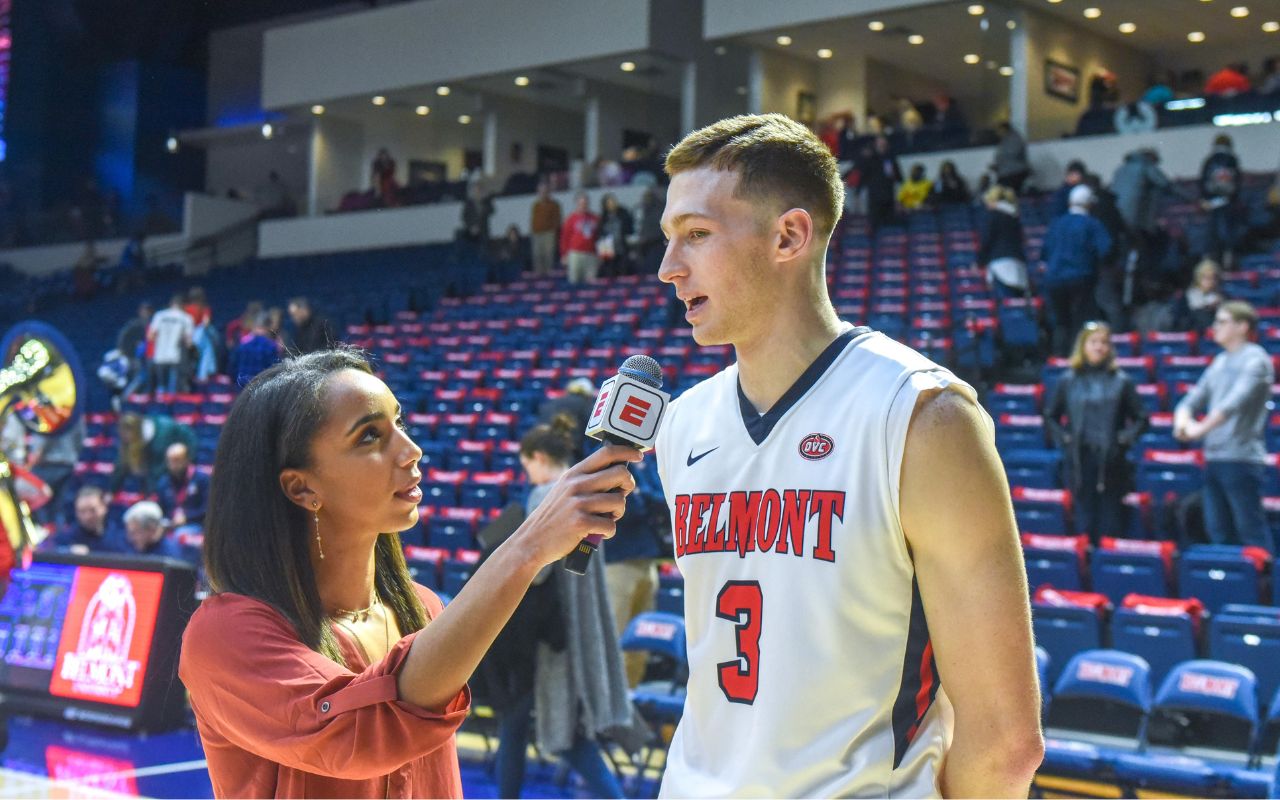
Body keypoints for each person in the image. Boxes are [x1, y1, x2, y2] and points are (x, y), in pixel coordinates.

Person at [654, 114, 1043, 797]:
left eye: (696, 235)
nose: (668, 269)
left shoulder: (924, 417)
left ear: (790, 236)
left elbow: (1006, 742)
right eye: (669, 239)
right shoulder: (683, 424)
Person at [178, 349, 640, 797]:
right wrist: (527, 546)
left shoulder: (422, 607)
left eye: (399, 423)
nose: (412, 450)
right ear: (302, 487)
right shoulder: (224, 635)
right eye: (369, 437)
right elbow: (363, 733)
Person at [493, 416, 633, 799]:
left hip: (549, 636)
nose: (528, 474)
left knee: (560, 735)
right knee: (531, 727)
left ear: (537, 457)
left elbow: (535, 573)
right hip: (575, 629)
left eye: (527, 465)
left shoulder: (546, 497)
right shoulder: (585, 493)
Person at [1174, 302, 1275, 553]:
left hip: (1241, 459)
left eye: (1221, 321)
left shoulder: (1257, 360)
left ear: (1242, 326)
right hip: (1214, 457)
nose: (1214, 327)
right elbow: (1191, 399)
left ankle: (1265, 588)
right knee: (1218, 530)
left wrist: (1198, 430)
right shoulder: (1219, 361)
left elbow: (1233, 404)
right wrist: (1182, 421)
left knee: (1250, 531)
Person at [1044, 322, 1149, 542]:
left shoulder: (1122, 381)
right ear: (1083, 346)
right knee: (1085, 521)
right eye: (1093, 342)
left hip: (1112, 463)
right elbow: (1051, 416)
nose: (1099, 347)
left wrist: (1124, 440)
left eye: (1104, 343)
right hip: (1079, 462)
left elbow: (1142, 419)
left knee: (1111, 523)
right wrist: (1065, 439)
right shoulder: (1068, 380)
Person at [1041, 185, 1113, 356]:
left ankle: (1058, 360)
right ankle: (1077, 359)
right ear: (1088, 204)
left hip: (1054, 279)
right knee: (1081, 322)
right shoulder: (1091, 224)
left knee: (1060, 323)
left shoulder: (1056, 223)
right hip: (1081, 278)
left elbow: (1044, 253)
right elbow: (1106, 249)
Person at [976, 185, 1028, 299]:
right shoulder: (1014, 216)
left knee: (1005, 305)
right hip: (1018, 264)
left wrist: (979, 262)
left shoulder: (992, 216)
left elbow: (987, 240)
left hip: (1000, 265)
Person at [41, 485, 126, 555]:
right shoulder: (67, 536)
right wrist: (68, 551)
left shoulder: (119, 536)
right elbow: (47, 551)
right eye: (82, 511)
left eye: (92, 510)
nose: (87, 517)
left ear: (104, 508)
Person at [1200, 134, 1242, 268]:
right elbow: (1237, 183)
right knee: (1226, 233)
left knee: (1213, 234)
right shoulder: (1232, 160)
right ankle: (1227, 260)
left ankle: (1211, 261)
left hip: (1211, 203)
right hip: (1228, 202)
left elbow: (1203, 182)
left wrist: (1205, 199)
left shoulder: (1209, 160)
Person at [155, 442, 210, 534]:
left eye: (177, 460)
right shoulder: (163, 482)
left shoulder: (202, 479)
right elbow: (160, 509)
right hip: (170, 524)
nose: (173, 465)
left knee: (179, 534)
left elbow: (206, 508)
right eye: (170, 461)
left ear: (187, 460)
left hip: (195, 524)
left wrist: (187, 517)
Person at [148, 294, 193, 397]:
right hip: (174, 356)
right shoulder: (186, 318)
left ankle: (160, 407)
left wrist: (161, 341)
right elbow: (188, 343)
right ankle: (170, 407)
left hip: (159, 355)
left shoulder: (159, 315)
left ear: (171, 304)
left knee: (161, 386)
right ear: (183, 305)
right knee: (172, 389)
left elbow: (150, 336)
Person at [859, 135, 901, 234]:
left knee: (890, 226)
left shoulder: (891, 158)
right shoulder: (869, 159)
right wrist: (858, 192)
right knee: (875, 226)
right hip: (874, 198)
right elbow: (863, 177)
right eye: (879, 143)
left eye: (883, 143)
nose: (881, 145)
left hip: (889, 197)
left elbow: (899, 178)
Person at [122, 500, 187, 560]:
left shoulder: (169, 556)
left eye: (134, 533)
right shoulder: (133, 549)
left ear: (151, 529)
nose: (130, 538)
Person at [233, 313, 283, 388]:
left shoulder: (243, 344)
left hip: (242, 389)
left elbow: (233, 367)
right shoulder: (271, 346)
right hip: (261, 390)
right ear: (268, 327)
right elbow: (276, 370)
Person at [1173, 259, 1224, 333]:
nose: (1211, 281)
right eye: (1207, 278)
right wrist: (1205, 309)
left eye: (1214, 278)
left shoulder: (1222, 297)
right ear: (1199, 278)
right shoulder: (1186, 297)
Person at [560, 192, 600, 285]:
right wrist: (564, 255)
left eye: (585, 203)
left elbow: (600, 237)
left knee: (591, 282)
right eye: (581, 203)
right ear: (576, 203)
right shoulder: (570, 218)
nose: (583, 205)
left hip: (591, 255)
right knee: (574, 281)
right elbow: (564, 238)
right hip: (575, 254)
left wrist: (603, 255)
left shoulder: (595, 218)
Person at [598, 193, 634, 277]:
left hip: (622, 248)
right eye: (609, 203)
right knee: (609, 273)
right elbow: (600, 234)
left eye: (613, 201)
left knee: (624, 272)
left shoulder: (624, 214)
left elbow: (629, 229)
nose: (612, 204)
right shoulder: (603, 218)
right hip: (608, 251)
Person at [529, 182, 562, 276]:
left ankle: (549, 274)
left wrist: (554, 231)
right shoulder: (536, 205)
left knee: (548, 254)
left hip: (549, 233)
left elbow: (557, 219)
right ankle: (538, 274)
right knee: (537, 254)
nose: (542, 193)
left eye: (544, 191)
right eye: (540, 191)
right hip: (537, 234)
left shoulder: (554, 205)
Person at [993, 122, 1031, 193]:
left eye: (999, 131)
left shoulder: (1015, 139)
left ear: (1004, 129)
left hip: (1015, 172)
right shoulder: (1003, 142)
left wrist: (1001, 163)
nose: (998, 133)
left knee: (1003, 192)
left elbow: (1013, 154)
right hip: (1006, 173)